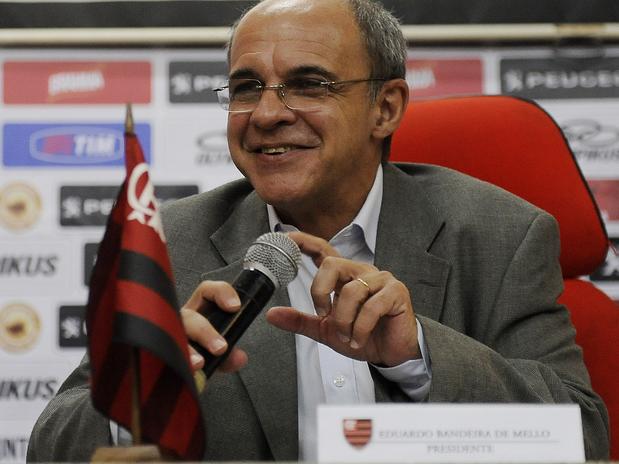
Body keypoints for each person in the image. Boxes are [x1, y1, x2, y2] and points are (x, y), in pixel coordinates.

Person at [28, 0, 609, 461]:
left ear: (385, 108)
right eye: (246, 87)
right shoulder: (168, 242)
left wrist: (417, 356)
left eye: (309, 84)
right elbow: (52, 447)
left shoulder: (499, 235)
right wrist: (139, 396)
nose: (266, 114)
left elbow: (581, 438)